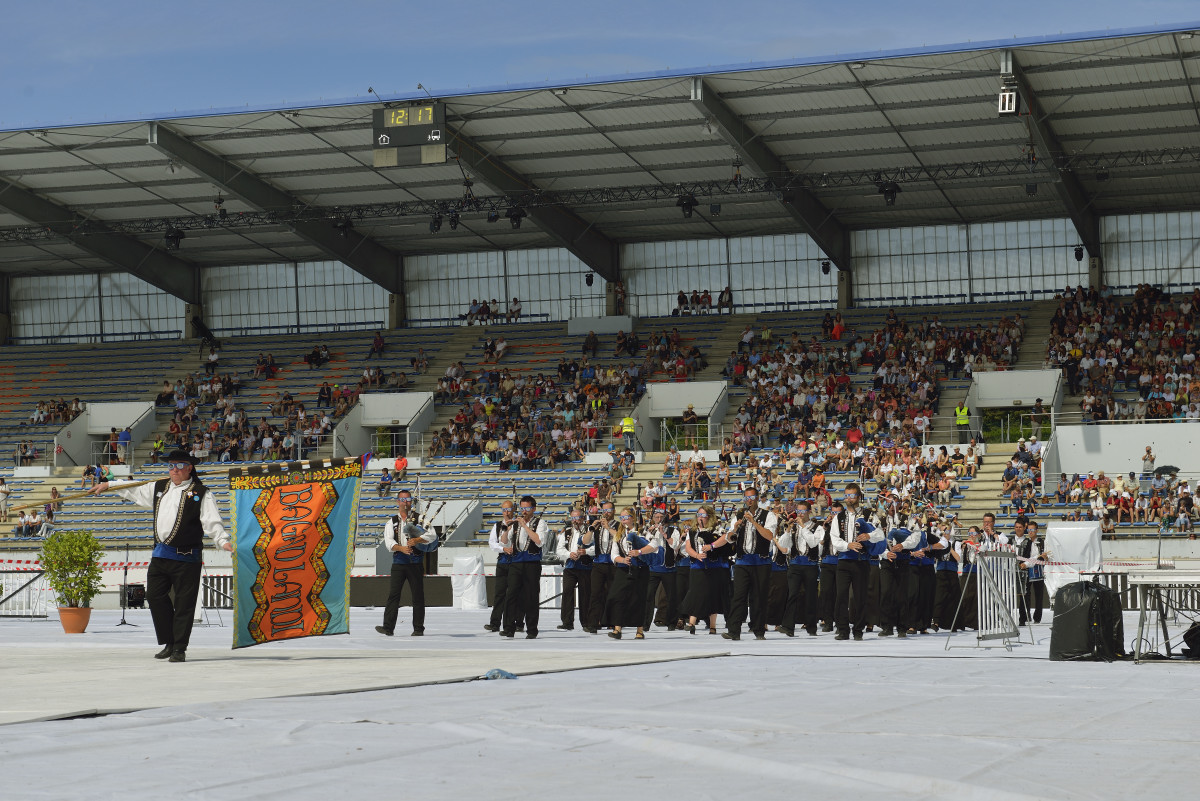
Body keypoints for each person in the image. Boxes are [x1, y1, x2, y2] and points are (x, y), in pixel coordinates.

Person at [90, 450, 232, 662]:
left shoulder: (201, 493)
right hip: (161, 555)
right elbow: (134, 489)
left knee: (185, 604)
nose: (174, 470)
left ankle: (179, 648)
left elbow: (212, 522)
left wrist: (222, 541)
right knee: (155, 597)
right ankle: (169, 641)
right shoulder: (159, 487)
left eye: (179, 466)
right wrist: (109, 485)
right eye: (171, 466)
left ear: (189, 468)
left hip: (187, 557)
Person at [717, 486, 779, 641]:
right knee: (738, 597)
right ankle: (734, 630)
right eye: (746, 498)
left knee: (759, 597)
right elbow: (729, 538)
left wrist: (754, 522)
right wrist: (734, 530)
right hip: (743, 561)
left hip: (761, 562)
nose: (749, 500)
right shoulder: (739, 515)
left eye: (751, 497)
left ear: (757, 498)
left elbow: (769, 536)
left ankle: (759, 630)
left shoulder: (768, 515)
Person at [376, 490, 436, 637]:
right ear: (398, 502)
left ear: (411, 502)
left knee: (417, 596)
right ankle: (388, 627)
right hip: (399, 562)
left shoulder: (420, 518)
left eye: (408, 499)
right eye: (403, 499)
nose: (405, 502)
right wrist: (400, 548)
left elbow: (432, 535)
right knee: (393, 595)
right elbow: (389, 542)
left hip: (415, 562)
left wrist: (417, 540)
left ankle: (418, 628)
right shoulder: (392, 522)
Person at [829, 482, 882, 640]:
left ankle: (858, 630)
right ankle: (843, 629)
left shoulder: (869, 514)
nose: (848, 499)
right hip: (844, 560)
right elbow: (834, 539)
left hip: (862, 561)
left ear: (858, 497)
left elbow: (881, 534)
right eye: (846, 495)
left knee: (860, 597)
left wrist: (869, 536)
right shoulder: (839, 517)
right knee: (841, 597)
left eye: (851, 495)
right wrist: (848, 545)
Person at [603, 507, 655, 640]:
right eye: (622, 518)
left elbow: (654, 546)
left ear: (632, 518)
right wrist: (623, 560)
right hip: (624, 569)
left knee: (639, 598)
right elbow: (614, 555)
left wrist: (639, 552)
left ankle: (640, 629)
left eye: (626, 517)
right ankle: (617, 628)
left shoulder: (642, 532)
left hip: (641, 569)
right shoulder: (618, 535)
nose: (624, 520)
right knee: (616, 597)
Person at [501, 495, 547, 639]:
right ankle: (509, 628)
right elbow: (504, 542)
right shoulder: (515, 524)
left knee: (531, 597)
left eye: (527, 508)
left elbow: (539, 541)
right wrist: (507, 529)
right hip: (516, 563)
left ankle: (532, 629)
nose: (524, 511)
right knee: (511, 595)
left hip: (532, 564)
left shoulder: (540, 523)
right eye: (522, 508)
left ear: (533, 509)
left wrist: (525, 526)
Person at [777, 499, 821, 637]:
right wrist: (789, 529)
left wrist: (802, 527)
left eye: (803, 511)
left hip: (810, 565)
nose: (800, 514)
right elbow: (784, 545)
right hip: (795, 564)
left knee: (810, 597)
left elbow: (813, 543)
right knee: (792, 595)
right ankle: (788, 626)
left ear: (808, 511)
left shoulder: (817, 527)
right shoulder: (794, 526)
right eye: (798, 511)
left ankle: (811, 627)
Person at [556, 506, 593, 630]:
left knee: (585, 595)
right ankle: (567, 622)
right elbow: (559, 550)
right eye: (573, 518)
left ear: (583, 518)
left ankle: (586, 622)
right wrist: (569, 554)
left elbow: (597, 548)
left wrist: (586, 552)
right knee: (567, 593)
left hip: (585, 567)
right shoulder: (566, 532)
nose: (575, 520)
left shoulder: (590, 531)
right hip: (570, 567)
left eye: (577, 518)